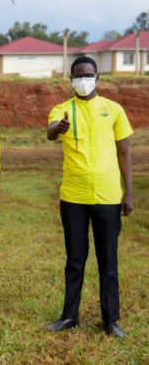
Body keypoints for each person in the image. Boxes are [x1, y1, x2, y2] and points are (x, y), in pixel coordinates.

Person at [44, 56, 133, 338]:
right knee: (75, 259)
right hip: (74, 196)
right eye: (78, 76)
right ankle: (69, 316)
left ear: (97, 77)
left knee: (108, 260)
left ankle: (111, 320)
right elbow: (50, 132)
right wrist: (57, 129)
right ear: (71, 80)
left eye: (88, 74)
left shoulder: (113, 109)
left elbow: (124, 152)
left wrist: (128, 192)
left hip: (108, 195)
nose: (83, 79)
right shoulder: (62, 109)